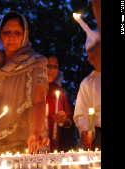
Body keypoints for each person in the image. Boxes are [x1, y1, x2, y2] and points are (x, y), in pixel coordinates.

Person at [0, 11, 49, 156]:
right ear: (0, 34)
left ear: (24, 35)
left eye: (17, 33)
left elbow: (39, 100)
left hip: (21, 139)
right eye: (7, 32)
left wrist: (36, 132)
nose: (11, 37)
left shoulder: (36, 63)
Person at [73, 5, 101, 149]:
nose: (89, 60)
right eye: (88, 56)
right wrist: (86, 129)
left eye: (93, 55)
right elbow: (81, 112)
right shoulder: (88, 83)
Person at [46, 55, 76, 151]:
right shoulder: (33, 89)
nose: (52, 70)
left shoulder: (61, 92)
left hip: (56, 145)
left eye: (55, 67)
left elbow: (70, 120)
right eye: (48, 66)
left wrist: (64, 121)